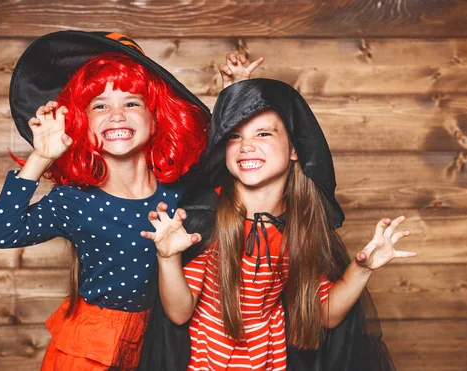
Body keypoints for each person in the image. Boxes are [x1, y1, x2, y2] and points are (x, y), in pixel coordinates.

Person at [0, 30, 265, 371]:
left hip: (161, 340)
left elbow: (223, 159)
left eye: (132, 103)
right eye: (99, 105)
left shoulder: (179, 187)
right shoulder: (72, 201)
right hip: (90, 348)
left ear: (157, 117)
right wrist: (40, 157)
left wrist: (235, 94)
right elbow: (1, 232)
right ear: (81, 124)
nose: (116, 115)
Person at [143, 78, 417, 370]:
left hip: (269, 361)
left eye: (263, 134)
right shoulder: (208, 219)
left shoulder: (297, 227)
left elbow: (324, 314)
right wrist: (169, 257)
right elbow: (179, 312)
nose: (246, 146)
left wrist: (362, 269)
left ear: (294, 150)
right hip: (208, 362)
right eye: (235, 136)